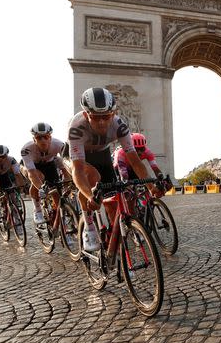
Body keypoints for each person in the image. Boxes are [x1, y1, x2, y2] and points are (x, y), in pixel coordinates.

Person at [68, 87, 162, 252]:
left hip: (102, 154)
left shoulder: (120, 125)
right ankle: (89, 226)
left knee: (113, 201)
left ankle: (115, 249)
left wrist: (151, 187)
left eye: (106, 116)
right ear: (85, 115)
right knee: (93, 178)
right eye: (96, 118)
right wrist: (91, 197)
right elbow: (78, 170)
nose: (102, 122)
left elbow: (135, 161)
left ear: (114, 113)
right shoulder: (76, 127)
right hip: (81, 157)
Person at [20, 123, 69, 225]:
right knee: (39, 177)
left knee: (56, 194)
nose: (43, 140)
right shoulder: (26, 149)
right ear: (34, 139)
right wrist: (41, 188)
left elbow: (67, 162)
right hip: (33, 166)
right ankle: (37, 210)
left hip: (49, 164)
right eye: (39, 138)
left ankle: (59, 223)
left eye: (46, 137)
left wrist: (69, 177)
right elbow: (32, 173)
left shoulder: (59, 144)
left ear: (50, 137)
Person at [0, 145, 24, 223]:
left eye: (3, 156)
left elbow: (17, 174)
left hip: (4, 176)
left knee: (12, 196)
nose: (1, 159)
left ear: (7, 155)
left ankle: (15, 216)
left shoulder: (11, 160)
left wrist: (21, 186)